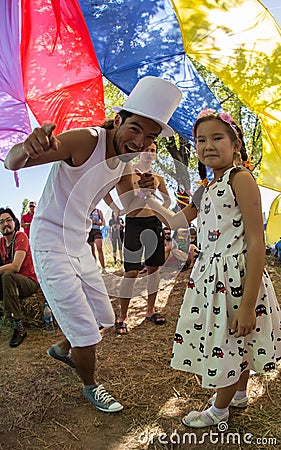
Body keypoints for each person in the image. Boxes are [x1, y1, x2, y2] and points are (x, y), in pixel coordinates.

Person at [4, 76, 182, 413]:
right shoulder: (87, 140)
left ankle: (61, 348)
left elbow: (131, 207)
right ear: (118, 121)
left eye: (150, 137)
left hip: (78, 243)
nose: (141, 141)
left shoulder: (126, 164)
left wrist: (155, 184)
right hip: (48, 241)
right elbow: (12, 162)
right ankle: (90, 385)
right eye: (135, 129)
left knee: (102, 317)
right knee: (87, 333)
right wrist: (27, 147)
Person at [141, 109, 281, 427]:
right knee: (235, 340)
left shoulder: (240, 179)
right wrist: (154, 195)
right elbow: (177, 221)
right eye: (200, 140)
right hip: (211, 277)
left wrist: (247, 306)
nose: (207, 145)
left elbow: (257, 243)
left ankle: (219, 410)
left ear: (236, 145)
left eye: (217, 137)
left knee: (228, 342)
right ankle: (240, 393)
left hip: (238, 277)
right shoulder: (205, 189)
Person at [106, 141, 171, 335]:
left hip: (154, 223)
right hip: (134, 223)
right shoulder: (127, 172)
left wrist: (156, 200)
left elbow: (167, 200)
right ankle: (122, 316)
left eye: (153, 150)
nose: (149, 153)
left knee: (153, 269)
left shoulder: (158, 177)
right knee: (131, 272)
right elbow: (105, 191)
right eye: (146, 149)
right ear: (139, 152)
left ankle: (150, 311)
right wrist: (116, 210)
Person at [0, 208, 39, 347]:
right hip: (11, 284)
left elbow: (16, 266)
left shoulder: (21, 237)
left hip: (28, 281)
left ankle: (18, 327)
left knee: (7, 275)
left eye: (8, 220)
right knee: (5, 276)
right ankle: (4, 315)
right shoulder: (1, 243)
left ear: (15, 222)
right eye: (1, 222)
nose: (5, 224)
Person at [88, 208, 107, 274]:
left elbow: (103, 223)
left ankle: (103, 268)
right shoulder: (86, 210)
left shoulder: (98, 211)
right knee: (92, 250)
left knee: (99, 248)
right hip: (88, 231)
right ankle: (95, 268)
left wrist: (95, 222)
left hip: (97, 231)